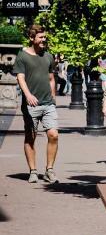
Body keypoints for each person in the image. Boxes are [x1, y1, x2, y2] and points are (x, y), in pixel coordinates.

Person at [13, 24, 59, 184]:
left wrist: (53, 97)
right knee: (30, 137)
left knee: (53, 135)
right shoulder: (22, 56)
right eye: (40, 37)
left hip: (48, 104)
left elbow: (51, 78)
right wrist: (28, 95)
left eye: (44, 37)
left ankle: (49, 170)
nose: (43, 40)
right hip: (31, 105)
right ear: (32, 38)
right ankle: (33, 171)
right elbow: (20, 77)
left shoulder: (48, 56)